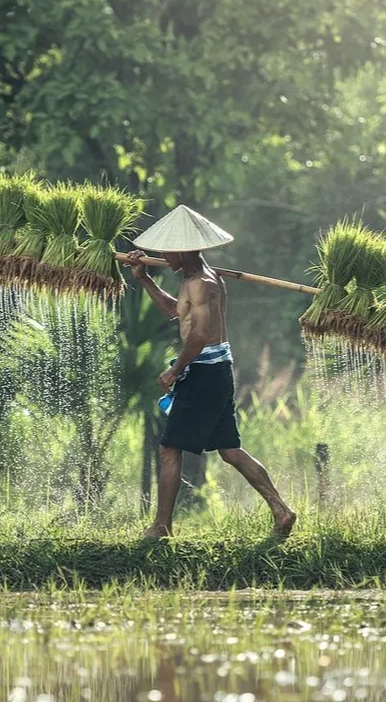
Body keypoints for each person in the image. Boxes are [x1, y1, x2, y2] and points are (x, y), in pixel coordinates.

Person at [126, 204, 296, 540]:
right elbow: (176, 312)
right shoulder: (199, 280)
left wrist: (176, 369)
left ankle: (161, 526)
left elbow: (200, 336)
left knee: (169, 448)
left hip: (204, 371)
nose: (162, 254)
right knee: (229, 450)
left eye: (167, 249)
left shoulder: (202, 283)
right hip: (216, 369)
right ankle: (281, 510)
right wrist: (144, 278)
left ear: (183, 250)